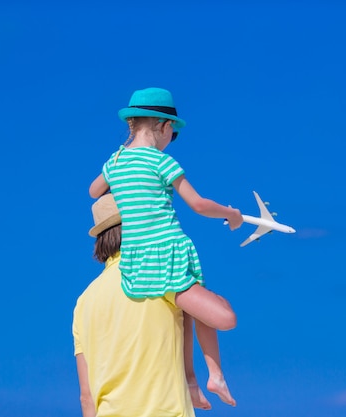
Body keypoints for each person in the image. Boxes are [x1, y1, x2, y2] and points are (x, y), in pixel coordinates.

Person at [89, 87, 243, 406]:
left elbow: (94, 190)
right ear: (163, 126)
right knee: (222, 314)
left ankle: (192, 383)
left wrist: (119, 176)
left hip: (136, 263)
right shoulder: (162, 162)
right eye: (173, 132)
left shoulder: (115, 162)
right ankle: (215, 375)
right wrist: (232, 213)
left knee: (185, 313)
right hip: (168, 253)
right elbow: (199, 204)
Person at [73, 194, 236, 416]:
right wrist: (196, 282)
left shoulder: (84, 302)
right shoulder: (156, 270)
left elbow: (87, 398)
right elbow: (224, 318)